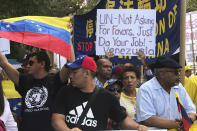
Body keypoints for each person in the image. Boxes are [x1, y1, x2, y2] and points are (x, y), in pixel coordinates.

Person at [52, 55, 147, 131]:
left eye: (74, 72)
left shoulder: (107, 97)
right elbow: (57, 120)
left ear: (87, 73)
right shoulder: (65, 92)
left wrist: (138, 127)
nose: (70, 76)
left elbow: (123, 120)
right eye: (70, 72)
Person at [0, 50, 74, 131]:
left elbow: (71, 63)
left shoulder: (55, 80)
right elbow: (4, 64)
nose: (27, 65)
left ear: (42, 64)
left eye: (31, 63)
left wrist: (68, 40)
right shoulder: (24, 81)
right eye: (27, 63)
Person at [136, 57, 196, 130]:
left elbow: (191, 110)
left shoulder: (179, 87)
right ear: (162, 74)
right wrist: (175, 124)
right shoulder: (146, 89)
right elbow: (147, 118)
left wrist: (187, 120)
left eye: (179, 71)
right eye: (176, 72)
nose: (179, 74)